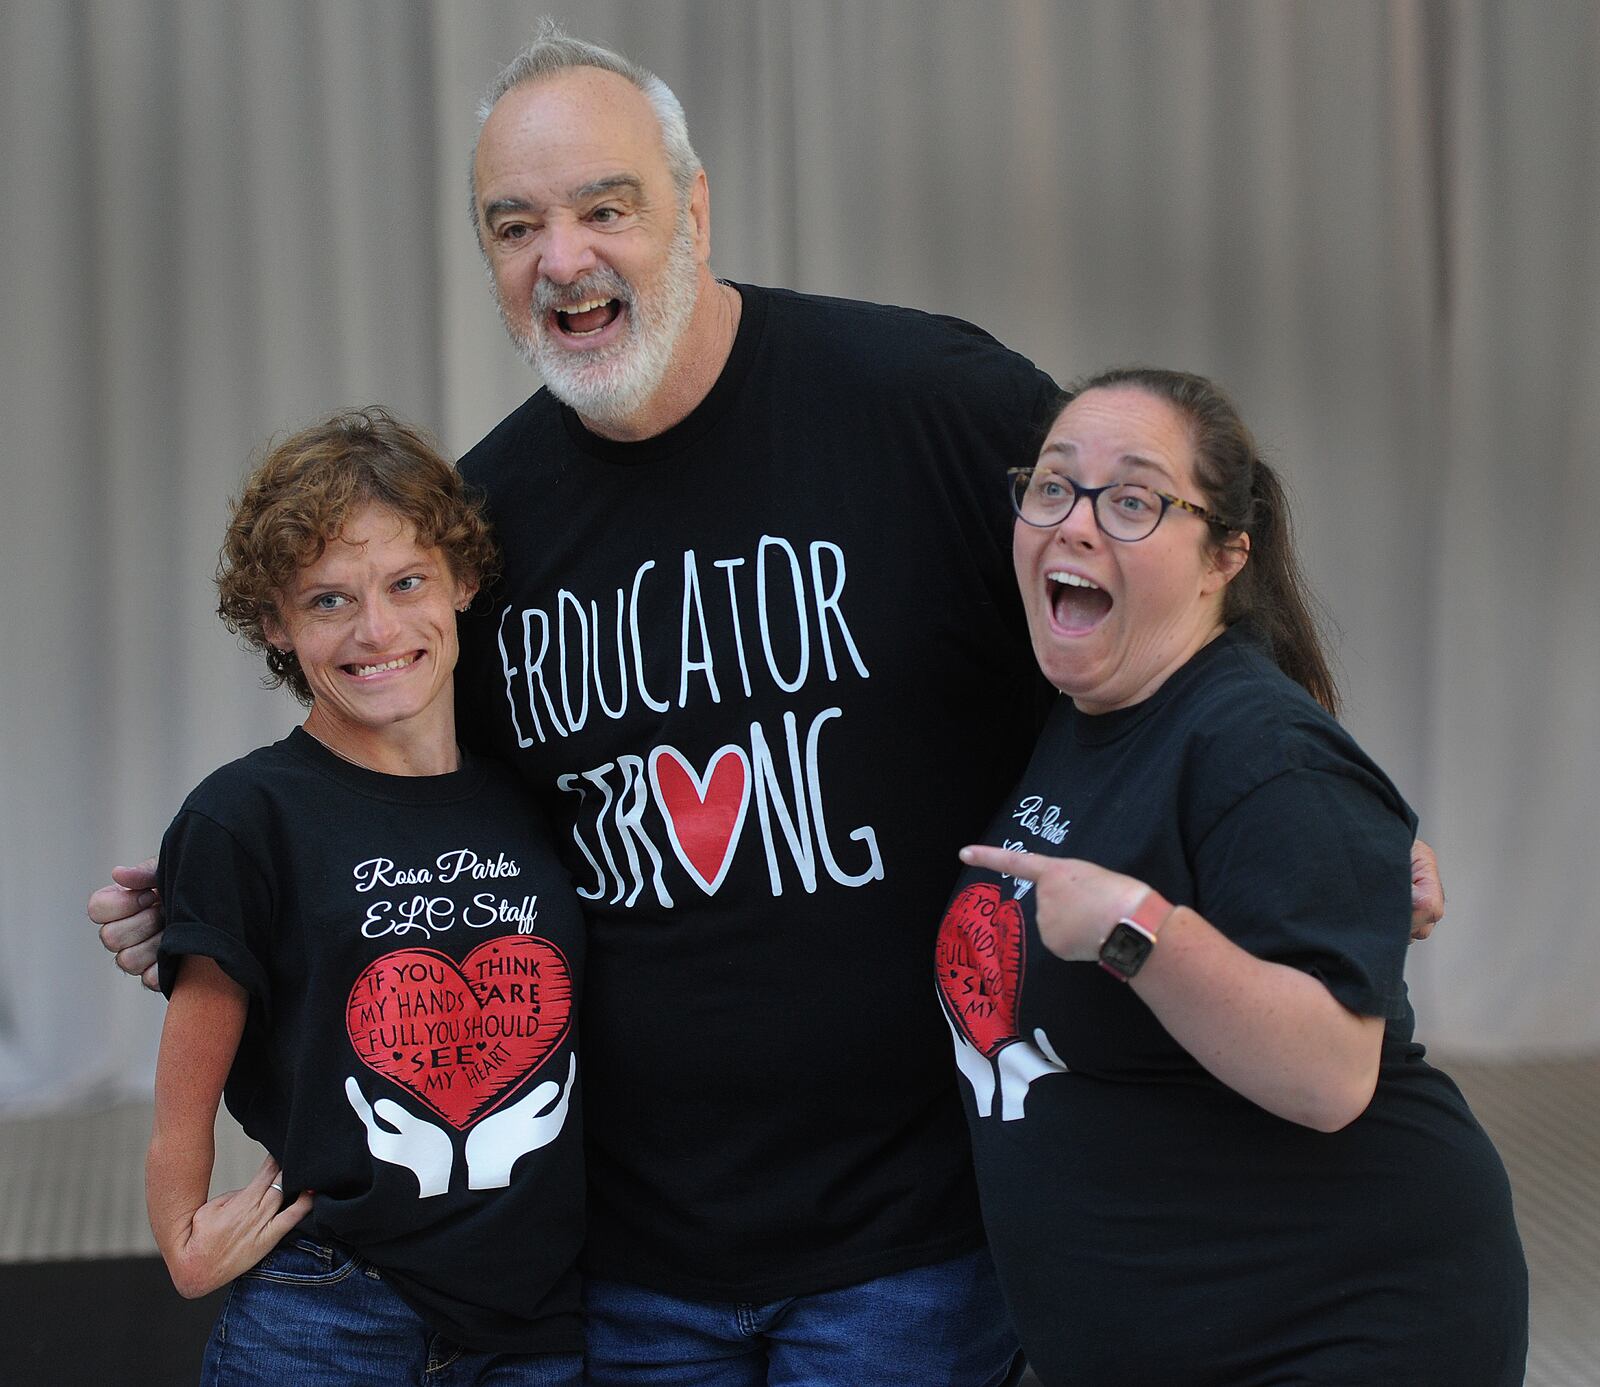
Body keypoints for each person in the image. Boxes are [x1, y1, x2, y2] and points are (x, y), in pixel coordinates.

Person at [91, 23, 1444, 1386]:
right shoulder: (481, 531)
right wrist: (235, 886)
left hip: (915, 1240)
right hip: (625, 1255)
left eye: (603, 206)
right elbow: (422, 804)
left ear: (694, 206)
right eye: (516, 226)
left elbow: (1161, 587)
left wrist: (1292, 808)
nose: (562, 257)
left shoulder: (926, 400)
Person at [939, 367, 1527, 1386]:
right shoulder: (1087, 718)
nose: (1075, 524)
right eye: (1052, 487)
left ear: (1225, 554)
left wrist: (1135, 930)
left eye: (1131, 500)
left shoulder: (1255, 742)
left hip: (1336, 1328)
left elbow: (1329, 1075)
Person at [146, 410, 585, 1385]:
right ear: (274, 619)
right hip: (332, 1308)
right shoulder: (243, 815)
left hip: (539, 1320)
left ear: (463, 581)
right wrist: (179, 1233)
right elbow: (186, 1085)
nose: (377, 630)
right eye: (329, 600)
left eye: (407, 583)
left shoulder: (533, 790)